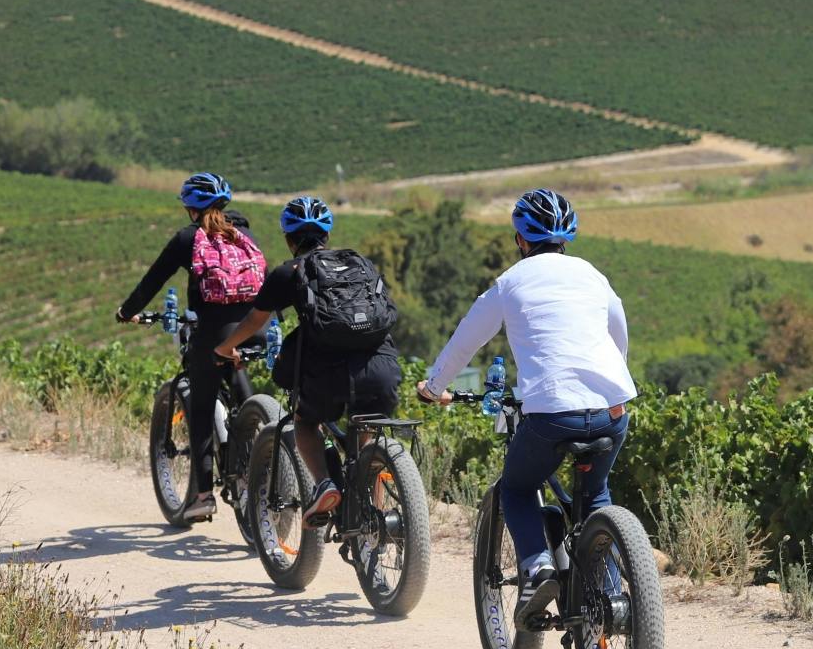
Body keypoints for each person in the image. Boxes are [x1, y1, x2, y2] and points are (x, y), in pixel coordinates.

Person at [416, 189, 635, 619]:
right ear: (566, 238)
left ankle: (537, 568)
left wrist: (433, 386)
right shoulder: (592, 275)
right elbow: (618, 331)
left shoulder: (509, 283)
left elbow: (465, 341)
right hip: (612, 410)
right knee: (595, 498)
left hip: (551, 416)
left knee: (516, 488)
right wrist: (612, 384)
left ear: (521, 240)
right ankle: (614, 598)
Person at [215, 196, 403, 526]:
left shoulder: (289, 272)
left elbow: (254, 321)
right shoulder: (359, 263)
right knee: (365, 431)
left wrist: (224, 348)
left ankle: (325, 484)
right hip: (380, 368)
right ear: (327, 234)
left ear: (288, 238)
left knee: (304, 422)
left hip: (327, 373)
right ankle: (370, 512)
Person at [117, 171, 266, 524]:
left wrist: (127, 311)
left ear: (190, 207)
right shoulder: (244, 234)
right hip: (254, 328)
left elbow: (152, 280)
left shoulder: (189, 238)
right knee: (241, 386)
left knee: (200, 407)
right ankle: (258, 444)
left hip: (212, 333)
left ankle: (202, 496)